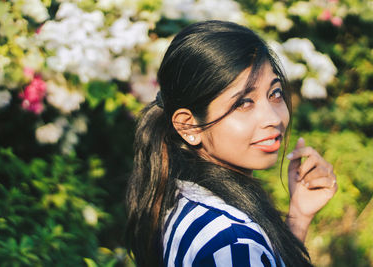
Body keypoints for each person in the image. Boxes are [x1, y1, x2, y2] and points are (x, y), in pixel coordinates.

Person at [125, 20, 337, 267]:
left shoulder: (185, 199)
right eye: (243, 103)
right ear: (188, 126)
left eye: (275, 93)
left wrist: (299, 217)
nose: (273, 118)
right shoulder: (232, 243)